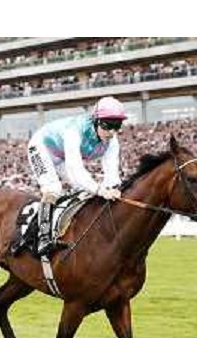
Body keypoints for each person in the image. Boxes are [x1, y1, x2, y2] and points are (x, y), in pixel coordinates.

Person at [27, 96, 127, 256]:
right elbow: (76, 169)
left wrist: (113, 188)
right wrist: (101, 190)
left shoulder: (112, 141)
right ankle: (43, 237)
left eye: (117, 126)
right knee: (53, 188)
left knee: (83, 189)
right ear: (96, 121)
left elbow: (112, 173)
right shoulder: (74, 131)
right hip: (41, 148)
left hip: (61, 157)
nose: (112, 132)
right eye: (108, 126)